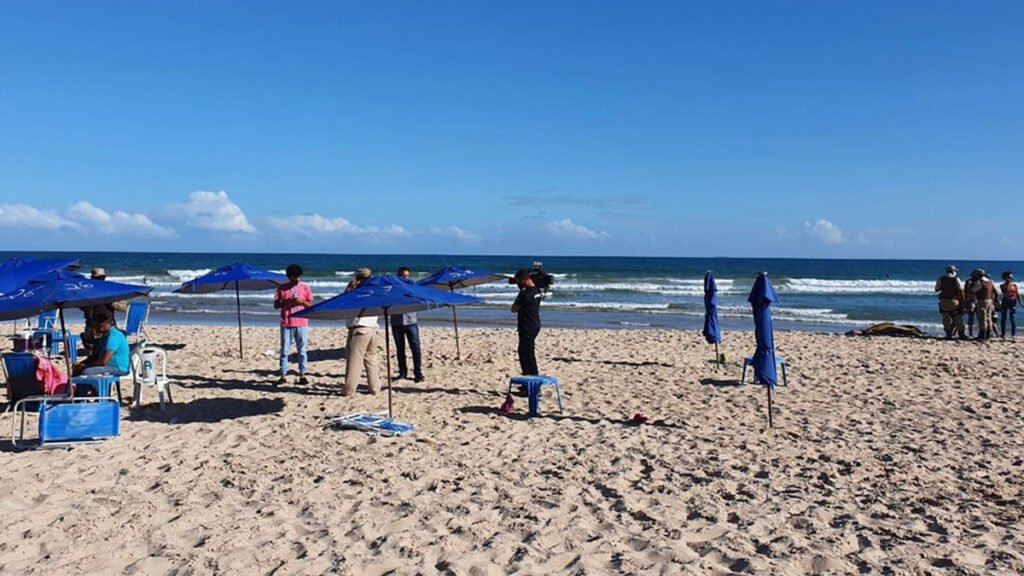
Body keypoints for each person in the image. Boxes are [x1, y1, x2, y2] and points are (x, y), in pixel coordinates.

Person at [343, 268, 382, 396]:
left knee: (354, 360)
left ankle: (349, 389)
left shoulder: (358, 292)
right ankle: (374, 387)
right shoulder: (375, 291)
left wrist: (349, 290)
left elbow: (344, 302)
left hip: (360, 328)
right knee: (371, 358)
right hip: (372, 328)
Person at [274, 263, 314, 385]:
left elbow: (311, 305)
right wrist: (287, 301)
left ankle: (302, 374)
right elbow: (276, 305)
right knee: (284, 350)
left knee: (302, 350)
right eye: (294, 277)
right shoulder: (282, 288)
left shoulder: (305, 287)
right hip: (286, 322)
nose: (297, 279)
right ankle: (283, 375)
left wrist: (302, 302)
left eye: (299, 277)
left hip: (302, 322)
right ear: (289, 277)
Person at [80, 267, 129, 355]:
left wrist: (110, 302)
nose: (99, 280)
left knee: (104, 350)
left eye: (101, 278)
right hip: (90, 326)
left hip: (106, 326)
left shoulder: (109, 291)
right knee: (91, 351)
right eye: (96, 278)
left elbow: (124, 307)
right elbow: (81, 307)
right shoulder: (87, 291)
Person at [391, 267, 424, 382]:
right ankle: (402, 372)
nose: (405, 278)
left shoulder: (412, 288)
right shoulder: (393, 289)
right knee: (400, 349)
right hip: (397, 322)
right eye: (403, 276)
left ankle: (418, 373)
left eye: (407, 276)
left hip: (411, 321)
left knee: (415, 348)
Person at [72, 311, 129, 376]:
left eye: (94, 326)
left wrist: (85, 366)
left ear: (101, 326)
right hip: (108, 366)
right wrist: (81, 364)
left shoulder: (113, 336)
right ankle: (74, 386)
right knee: (77, 370)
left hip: (118, 367)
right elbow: (96, 356)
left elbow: (103, 362)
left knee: (86, 372)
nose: (94, 329)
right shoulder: (105, 336)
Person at [511, 268, 543, 375]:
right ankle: (529, 378)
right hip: (534, 324)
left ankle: (531, 378)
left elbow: (514, 309)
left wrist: (520, 294)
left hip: (527, 326)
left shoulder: (525, 294)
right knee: (527, 352)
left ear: (523, 280)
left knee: (526, 354)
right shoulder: (536, 291)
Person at [933, 265, 965, 340]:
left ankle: (948, 334)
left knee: (946, 318)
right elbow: (961, 290)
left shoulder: (941, 279)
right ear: (953, 271)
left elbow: (937, 289)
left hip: (944, 300)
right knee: (957, 318)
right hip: (954, 300)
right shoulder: (956, 279)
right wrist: (962, 301)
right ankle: (961, 334)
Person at [970, 269, 998, 340]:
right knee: (989, 318)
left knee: (982, 318)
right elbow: (995, 291)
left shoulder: (980, 283)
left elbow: (973, 291)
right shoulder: (990, 282)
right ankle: (988, 334)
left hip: (981, 301)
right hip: (990, 301)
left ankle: (983, 335)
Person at [999, 271, 1020, 339]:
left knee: (1012, 318)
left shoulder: (1014, 285)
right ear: (1005, 278)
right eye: (1009, 277)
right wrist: (1008, 283)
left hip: (1013, 302)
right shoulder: (1002, 286)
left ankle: (1013, 334)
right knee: (1003, 318)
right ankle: (1003, 334)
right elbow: (1005, 291)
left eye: (1011, 277)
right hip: (1005, 302)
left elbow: (1017, 294)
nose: (1011, 278)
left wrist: (1021, 303)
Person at [963, 273, 978, 337]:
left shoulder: (969, 281)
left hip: (971, 301)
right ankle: (970, 332)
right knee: (971, 317)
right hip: (971, 301)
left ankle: (954, 331)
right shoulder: (971, 282)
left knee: (969, 317)